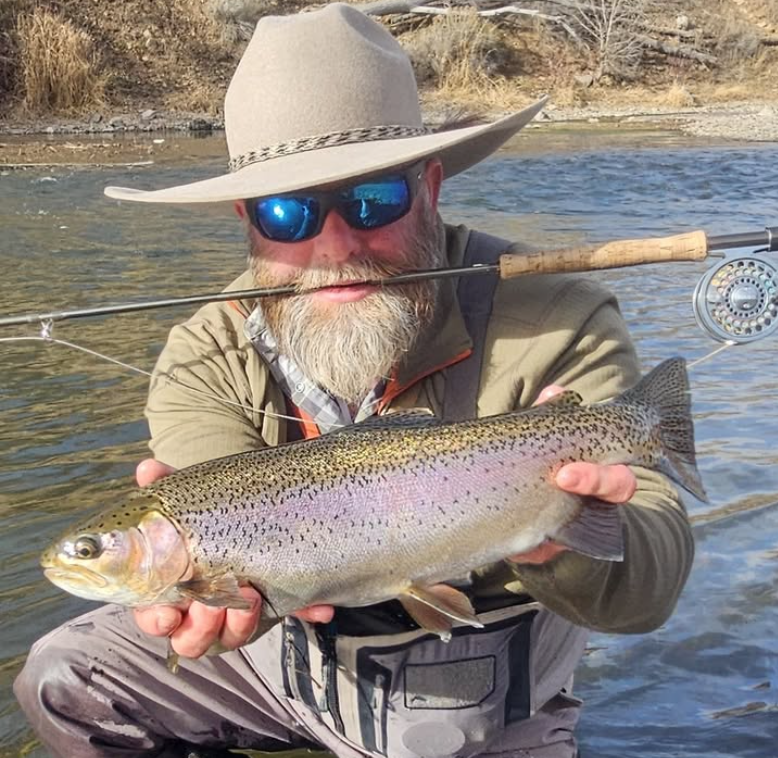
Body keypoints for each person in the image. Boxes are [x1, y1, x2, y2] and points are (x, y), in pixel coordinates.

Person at [15, 4, 694, 758]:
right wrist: (214, 611)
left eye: (374, 199)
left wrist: (552, 533)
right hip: (286, 670)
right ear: (248, 219)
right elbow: (225, 579)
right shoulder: (205, 353)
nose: (336, 245)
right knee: (65, 675)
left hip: (503, 693)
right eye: (288, 211)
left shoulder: (556, 318)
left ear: (430, 187)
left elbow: (648, 592)